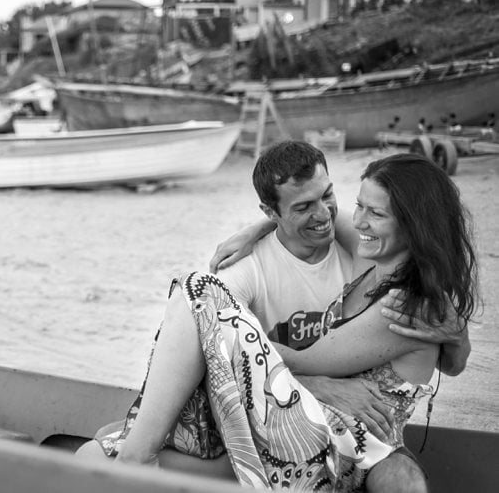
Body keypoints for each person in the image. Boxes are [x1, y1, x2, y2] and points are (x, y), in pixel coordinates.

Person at [76, 151, 479, 491]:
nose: (357, 221)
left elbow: (309, 360)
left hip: (334, 450)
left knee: (198, 290)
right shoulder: (378, 256)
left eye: (375, 213)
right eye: (359, 205)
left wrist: (220, 334)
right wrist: (261, 228)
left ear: (413, 225)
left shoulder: (409, 303)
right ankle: (137, 455)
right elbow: (310, 216)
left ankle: (138, 457)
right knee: (95, 454)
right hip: (313, 427)